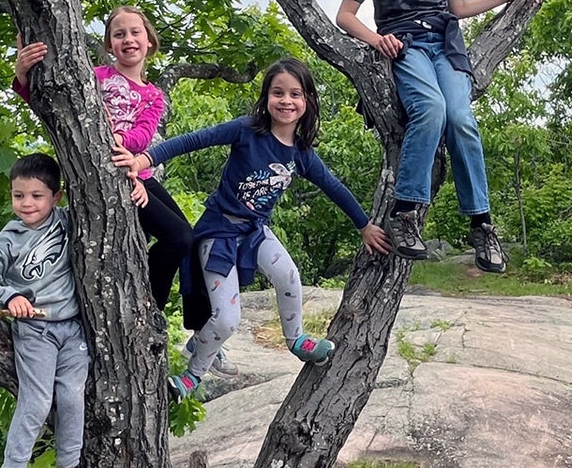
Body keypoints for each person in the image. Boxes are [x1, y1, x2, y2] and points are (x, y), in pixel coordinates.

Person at [114, 58, 392, 400]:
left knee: (289, 275)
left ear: (307, 101)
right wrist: (142, 160)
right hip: (218, 233)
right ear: (266, 97)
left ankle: (296, 339)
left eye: (295, 94)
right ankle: (192, 375)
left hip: (255, 232)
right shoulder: (246, 130)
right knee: (227, 320)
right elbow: (191, 141)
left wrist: (364, 226)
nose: (286, 101)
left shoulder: (301, 154)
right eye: (278, 93)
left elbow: (334, 188)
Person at [14, 6, 237, 378]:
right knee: (179, 237)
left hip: (137, 170)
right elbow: (49, 103)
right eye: (119, 34)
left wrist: (120, 144)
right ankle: (149, 305)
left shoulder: (153, 95)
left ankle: (192, 324)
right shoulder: (95, 77)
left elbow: (144, 135)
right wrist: (23, 74)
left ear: (150, 42)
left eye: (135, 33)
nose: (128, 40)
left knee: (189, 238)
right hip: (110, 175)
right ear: (109, 45)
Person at [335, 0, 541, 272]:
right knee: (430, 109)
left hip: (445, 46)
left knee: (461, 118)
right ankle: (404, 212)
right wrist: (377, 40)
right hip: (405, 46)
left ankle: (481, 224)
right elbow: (345, 15)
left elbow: (457, 8)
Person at [0, 153, 88, 468]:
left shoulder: (68, 222)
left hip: (73, 330)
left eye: (37, 195)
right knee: (36, 402)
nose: (27, 203)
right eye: (18, 195)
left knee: (72, 398)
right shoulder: (7, 240)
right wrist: (9, 296)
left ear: (56, 197)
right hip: (35, 331)